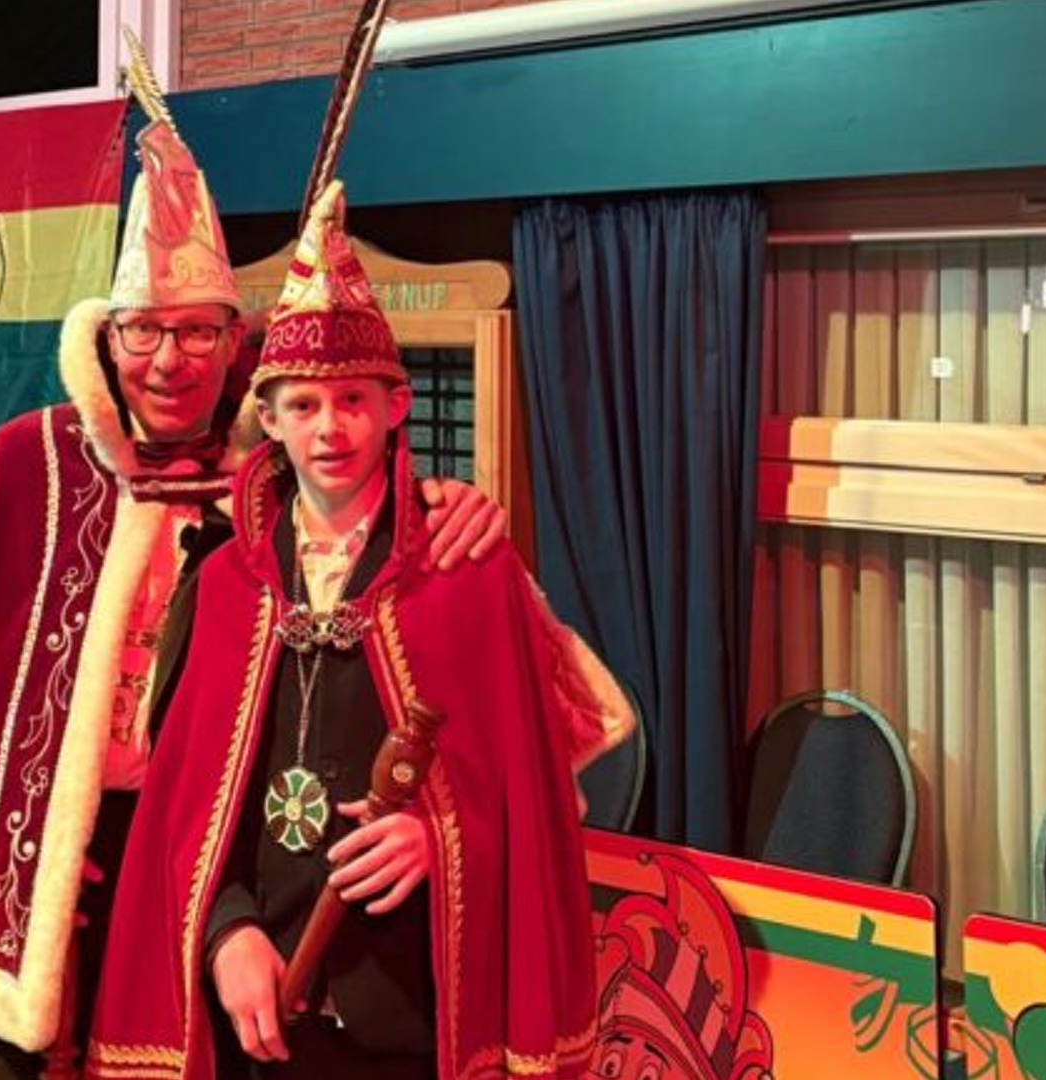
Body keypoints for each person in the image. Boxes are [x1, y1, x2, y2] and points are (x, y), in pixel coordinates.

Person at [0, 89, 512, 1079]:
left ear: (235, 344)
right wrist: (5, 857)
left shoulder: (271, 489)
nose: (169, 360)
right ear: (107, 338)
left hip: (212, 854)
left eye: (197, 333)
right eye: (143, 331)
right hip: (53, 852)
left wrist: (441, 499)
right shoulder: (29, 464)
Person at [86, 180, 634, 1080]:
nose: (330, 428)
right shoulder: (224, 586)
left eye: (352, 400)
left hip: (412, 1014)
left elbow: (532, 803)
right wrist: (225, 932)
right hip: (261, 1005)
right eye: (303, 405)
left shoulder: (467, 569)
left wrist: (438, 834)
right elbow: (187, 808)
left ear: (397, 405)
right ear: (268, 418)